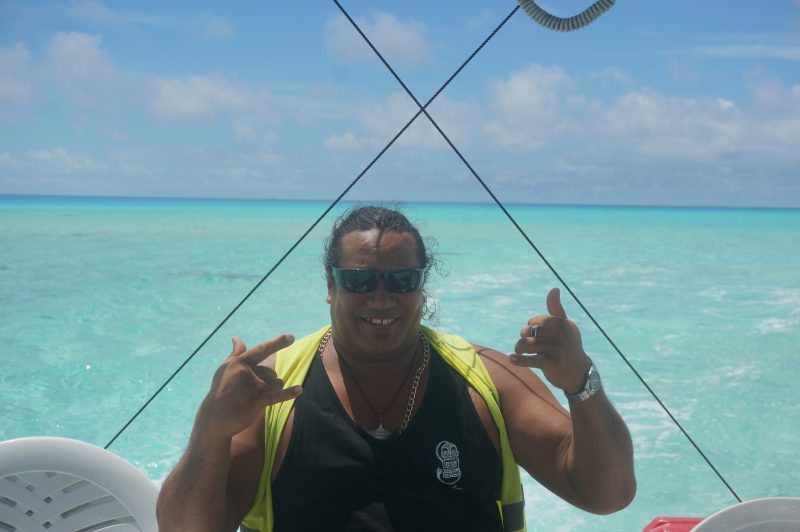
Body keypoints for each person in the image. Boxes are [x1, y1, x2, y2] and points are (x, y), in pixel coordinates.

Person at [156, 205, 636, 532]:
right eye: (360, 280)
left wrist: (581, 382)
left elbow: (607, 495)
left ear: (422, 288)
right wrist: (210, 430)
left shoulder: (487, 380)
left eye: (402, 280)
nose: (381, 298)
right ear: (330, 285)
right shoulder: (275, 388)